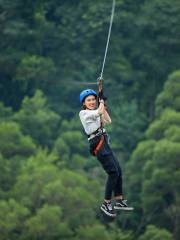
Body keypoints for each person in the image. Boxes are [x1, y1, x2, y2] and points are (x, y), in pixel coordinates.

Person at [79, 89, 133, 217]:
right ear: (84, 103)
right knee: (113, 172)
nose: (92, 102)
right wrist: (101, 102)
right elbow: (99, 112)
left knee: (118, 170)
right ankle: (106, 203)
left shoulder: (97, 111)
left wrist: (103, 104)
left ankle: (119, 200)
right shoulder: (84, 113)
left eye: (93, 99)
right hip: (97, 143)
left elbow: (109, 120)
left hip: (104, 142)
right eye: (89, 100)